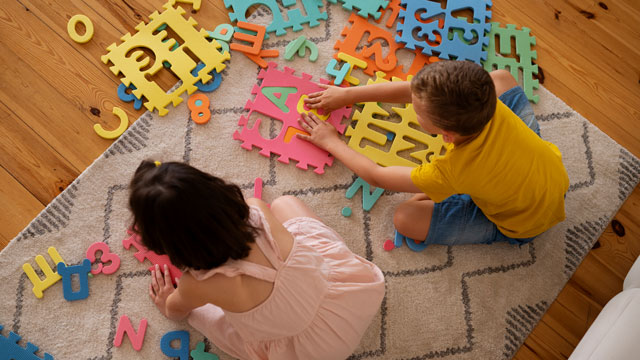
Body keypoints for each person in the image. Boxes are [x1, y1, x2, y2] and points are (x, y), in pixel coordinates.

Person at [128, 160, 385, 360]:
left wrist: (167, 302)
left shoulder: (197, 284)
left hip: (308, 353)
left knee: (203, 314)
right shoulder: (257, 210)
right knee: (286, 203)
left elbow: (176, 311)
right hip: (348, 299)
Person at [299, 60, 569, 247]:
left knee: (404, 217)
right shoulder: (486, 101)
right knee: (501, 78)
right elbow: (415, 91)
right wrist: (348, 95)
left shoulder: (451, 169)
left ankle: (479, 207)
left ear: (446, 136)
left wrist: (331, 142)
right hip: (551, 176)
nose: (412, 108)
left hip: (524, 223)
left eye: (417, 113)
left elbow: (377, 176)